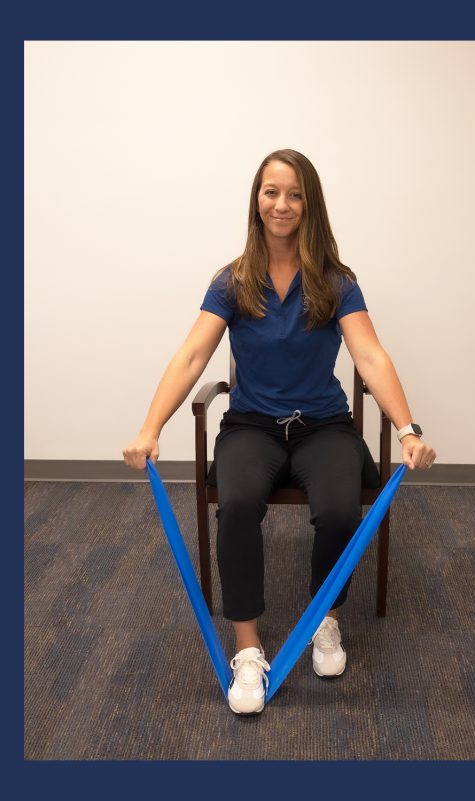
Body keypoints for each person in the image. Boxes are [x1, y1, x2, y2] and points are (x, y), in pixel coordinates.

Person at [123, 149, 437, 715]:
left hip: (323, 427)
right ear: (257, 200)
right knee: (238, 505)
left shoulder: (336, 281)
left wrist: (407, 429)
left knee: (339, 511)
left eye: (294, 194)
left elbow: (369, 355)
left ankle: (325, 619)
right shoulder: (233, 280)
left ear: (310, 204)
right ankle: (248, 649)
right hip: (252, 427)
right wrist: (149, 429)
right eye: (271, 192)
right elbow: (193, 355)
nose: (282, 204)